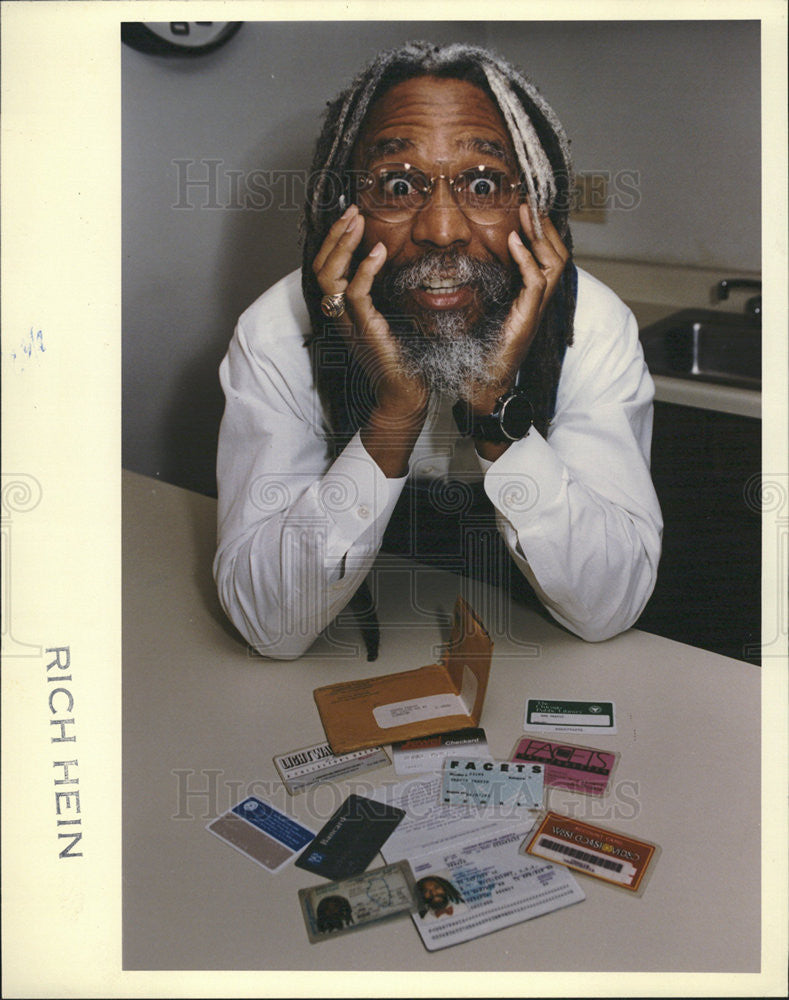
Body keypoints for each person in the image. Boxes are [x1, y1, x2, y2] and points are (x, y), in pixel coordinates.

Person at [213, 41, 662, 659]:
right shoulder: (278, 330)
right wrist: (394, 414)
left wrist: (492, 405)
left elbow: (608, 606)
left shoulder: (593, 325)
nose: (442, 230)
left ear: (535, 207)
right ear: (344, 209)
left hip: (533, 654)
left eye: (482, 183)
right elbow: (266, 624)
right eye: (399, 185)